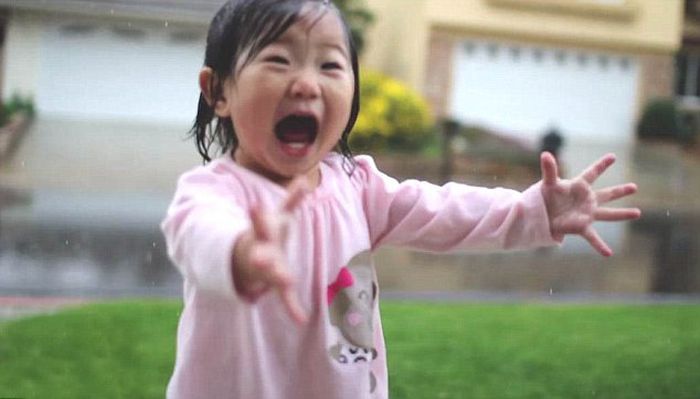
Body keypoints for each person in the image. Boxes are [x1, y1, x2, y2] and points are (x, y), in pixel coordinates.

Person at [160, 0, 641, 397]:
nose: (306, 83)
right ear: (217, 90)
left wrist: (532, 211)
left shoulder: (357, 187)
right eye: (278, 60)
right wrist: (242, 253)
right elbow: (199, 232)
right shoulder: (214, 193)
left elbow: (446, 212)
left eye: (330, 65)